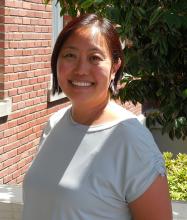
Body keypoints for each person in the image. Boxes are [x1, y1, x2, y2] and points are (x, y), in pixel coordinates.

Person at [22, 13, 172, 220]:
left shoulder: (131, 142)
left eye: (95, 58)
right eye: (70, 55)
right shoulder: (54, 123)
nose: (81, 70)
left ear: (115, 67)